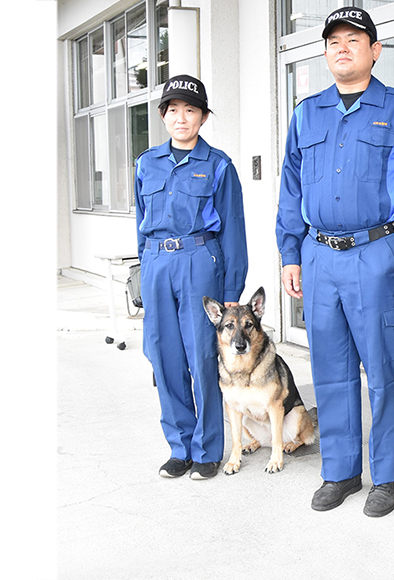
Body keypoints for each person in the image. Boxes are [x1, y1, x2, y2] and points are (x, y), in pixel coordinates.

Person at [276, 8, 394, 518]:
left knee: (383, 369)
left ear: (375, 50)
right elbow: (290, 188)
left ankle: (387, 474)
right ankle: (342, 470)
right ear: (325, 52)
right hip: (319, 254)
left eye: (355, 39)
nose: (342, 47)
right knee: (329, 369)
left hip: (378, 255)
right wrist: (290, 251)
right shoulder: (306, 114)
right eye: (333, 41)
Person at [135, 74, 248, 480]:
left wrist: (232, 293)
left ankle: (206, 449)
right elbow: (140, 222)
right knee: (164, 357)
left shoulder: (218, 166)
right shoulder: (146, 163)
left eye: (191, 110)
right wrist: (142, 272)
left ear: (202, 118)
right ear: (164, 116)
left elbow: (233, 228)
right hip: (156, 264)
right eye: (173, 110)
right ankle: (179, 447)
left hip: (200, 261)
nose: (181, 118)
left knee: (202, 356)